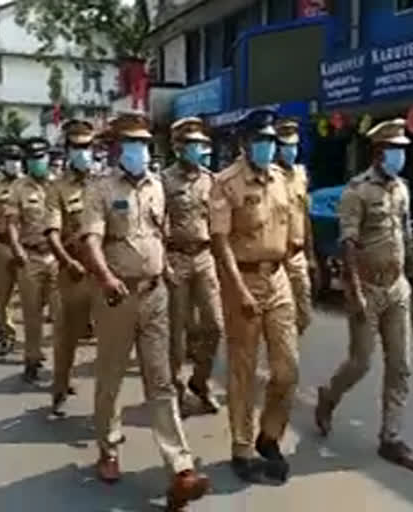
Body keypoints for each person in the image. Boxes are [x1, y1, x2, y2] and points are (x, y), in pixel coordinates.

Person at [80, 112, 210, 509]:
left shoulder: (156, 186)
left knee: (162, 380)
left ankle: (180, 466)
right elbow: (90, 240)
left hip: (155, 295)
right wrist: (104, 277)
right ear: (117, 148)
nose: (139, 150)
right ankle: (109, 448)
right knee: (112, 378)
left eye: (143, 143)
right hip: (117, 296)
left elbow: (159, 233)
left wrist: (166, 271)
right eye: (132, 144)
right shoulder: (100, 188)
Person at [315, 118, 413, 472]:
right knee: (360, 362)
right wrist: (355, 293)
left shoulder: (401, 189)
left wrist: (410, 274)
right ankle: (328, 397)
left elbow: (404, 234)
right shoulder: (356, 192)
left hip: (396, 288)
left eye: (403, 151)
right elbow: (348, 245)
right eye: (395, 151)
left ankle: (391, 437)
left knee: (401, 365)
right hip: (367, 287)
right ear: (378, 153)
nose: (400, 157)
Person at [210, 109, 298, 483]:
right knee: (243, 370)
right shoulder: (226, 183)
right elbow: (220, 242)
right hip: (242, 281)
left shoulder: (281, 179)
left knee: (287, 370)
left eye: (270, 140)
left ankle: (270, 434)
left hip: (278, 280)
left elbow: (291, 233)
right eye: (260, 140)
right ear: (245, 144)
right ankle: (242, 447)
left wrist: (298, 270)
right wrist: (239, 290)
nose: (267, 146)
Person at [162, 116, 224, 415]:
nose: (198, 150)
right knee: (177, 331)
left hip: (204, 258)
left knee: (214, 325)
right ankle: (175, 388)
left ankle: (201, 380)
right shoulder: (163, 181)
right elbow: (155, 225)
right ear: (178, 148)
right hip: (175, 258)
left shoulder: (211, 181)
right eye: (192, 145)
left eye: (201, 144)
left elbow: (218, 225)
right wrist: (163, 264)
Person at [44, 119, 97, 416]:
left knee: (112, 340)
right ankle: (60, 386)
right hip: (74, 270)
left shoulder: (106, 182)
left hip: (103, 272)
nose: (84, 153)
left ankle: (105, 408)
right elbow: (52, 233)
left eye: (87, 147)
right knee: (68, 335)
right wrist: (67, 261)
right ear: (67, 150)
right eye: (77, 147)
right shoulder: (57, 189)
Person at [7, 137, 60, 382]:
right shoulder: (19, 187)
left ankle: (63, 368)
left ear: (48, 158)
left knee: (62, 315)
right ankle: (32, 358)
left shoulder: (60, 184)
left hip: (59, 258)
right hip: (31, 256)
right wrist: (17, 249)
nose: (37, 162)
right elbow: (12, 223)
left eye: (41, 157)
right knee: (32, 313)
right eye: (33, 159)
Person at [275, 118, 316, 333]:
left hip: (298, 254)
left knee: (304, 314)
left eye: (293, 146)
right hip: (276, 257)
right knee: (280, 315)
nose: (290, 151)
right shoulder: (270, 177)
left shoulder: (301, 174)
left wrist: (311, 255)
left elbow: (304, 216)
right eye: (285, 146)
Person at [0, 141, 22, 354]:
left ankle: (32, 339)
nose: (15, 164)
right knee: (3, 294)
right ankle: (7, 333)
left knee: (34, 296)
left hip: (27, 246)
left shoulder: (32, 185)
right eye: (10, 160)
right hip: (2, 244)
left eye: (18, 160)